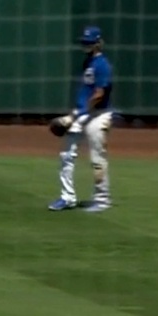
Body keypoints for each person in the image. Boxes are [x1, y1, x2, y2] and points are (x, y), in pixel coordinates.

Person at [48, 26, 115, 213]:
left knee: (97, 157)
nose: (86, 45)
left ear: (98, 43)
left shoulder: (103, 65)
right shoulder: (88, 62)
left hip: (99, 115)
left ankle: (102, 199)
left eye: (89, 42)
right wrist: (76, 112)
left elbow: (99, 94)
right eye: (84, 42)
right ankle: (67, 197)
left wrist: (77, 114)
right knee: (66, 155)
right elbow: (86, 92)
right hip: (82, 112)